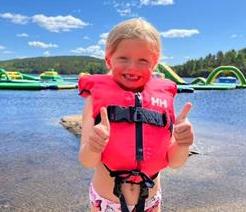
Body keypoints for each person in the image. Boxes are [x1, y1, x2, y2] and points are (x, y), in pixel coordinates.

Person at [78, 18, 194, 212]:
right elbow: (87, 161)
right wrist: (93, 145)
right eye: (123, 58)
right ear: (109, 59)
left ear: (154, 64)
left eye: (143, 60)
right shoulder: (94, 100)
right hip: (107, 202)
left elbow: (175, 162)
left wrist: (183, 144)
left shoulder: (163, 99)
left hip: (150, 202)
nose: (132, 67)